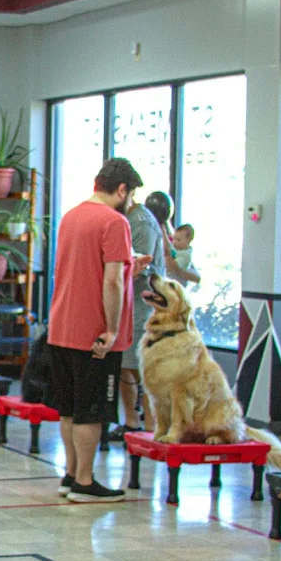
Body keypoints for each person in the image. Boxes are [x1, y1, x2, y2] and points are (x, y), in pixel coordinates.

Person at [47, 158, 150, 502]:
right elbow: (111, 283)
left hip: (61, 327)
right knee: (92, 410)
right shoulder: (114, 222)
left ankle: (72, 474)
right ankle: (86, 482)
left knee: (69, 409)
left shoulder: (71, 217)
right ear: (122, 189)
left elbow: (84, 269)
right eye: (131, 195)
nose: (131, 202)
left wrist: (127, 266)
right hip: (92, 334)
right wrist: (110, 329)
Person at [118, 188, 171, 435]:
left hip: (142, 308)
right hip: (126, 306)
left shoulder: (142, 223)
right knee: (124, 366)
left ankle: (152, 427)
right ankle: (131, 422)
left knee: (145, 370)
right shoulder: (126, 220)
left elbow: (140, 265)